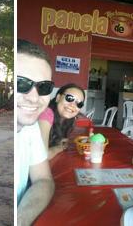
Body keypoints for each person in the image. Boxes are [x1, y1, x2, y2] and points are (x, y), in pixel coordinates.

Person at [16, 39, 55, 226]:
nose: (33, 97)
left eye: (44, 87)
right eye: (21, 83)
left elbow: (43, 180)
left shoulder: (30, 129)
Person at [38, 83, 85, 159]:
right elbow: (41, 156)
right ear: (58, 98)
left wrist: (58, 141)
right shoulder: (46, 113)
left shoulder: (68, 120)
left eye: (79, 104)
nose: (73, 105)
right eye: (69, 98)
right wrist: (60, 147)